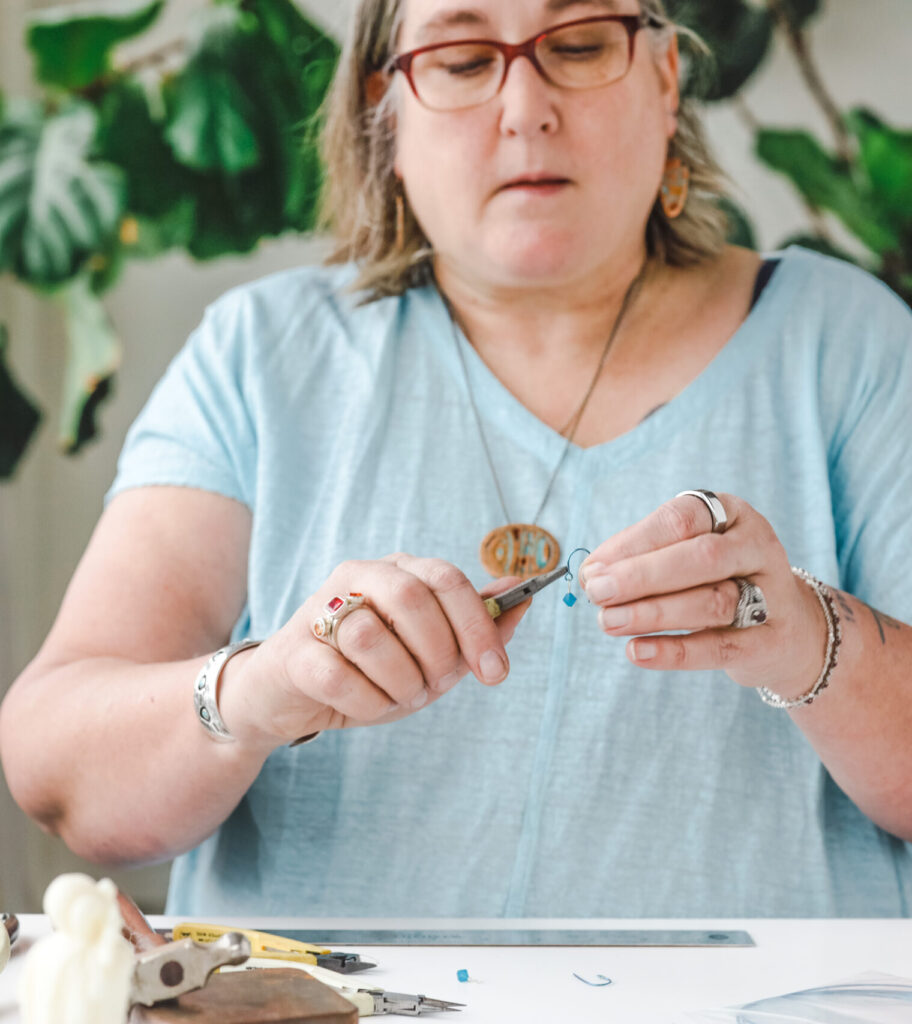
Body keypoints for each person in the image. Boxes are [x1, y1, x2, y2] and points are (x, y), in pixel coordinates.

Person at [2, 0, 911, 919]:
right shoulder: (260, 357)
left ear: (666, 80)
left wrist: (812, 640)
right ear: (383, 112)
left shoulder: (849, 342)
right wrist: (263, 688)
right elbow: (61, 782)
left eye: (580, 44)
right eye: (464, 59)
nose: (525, 107)